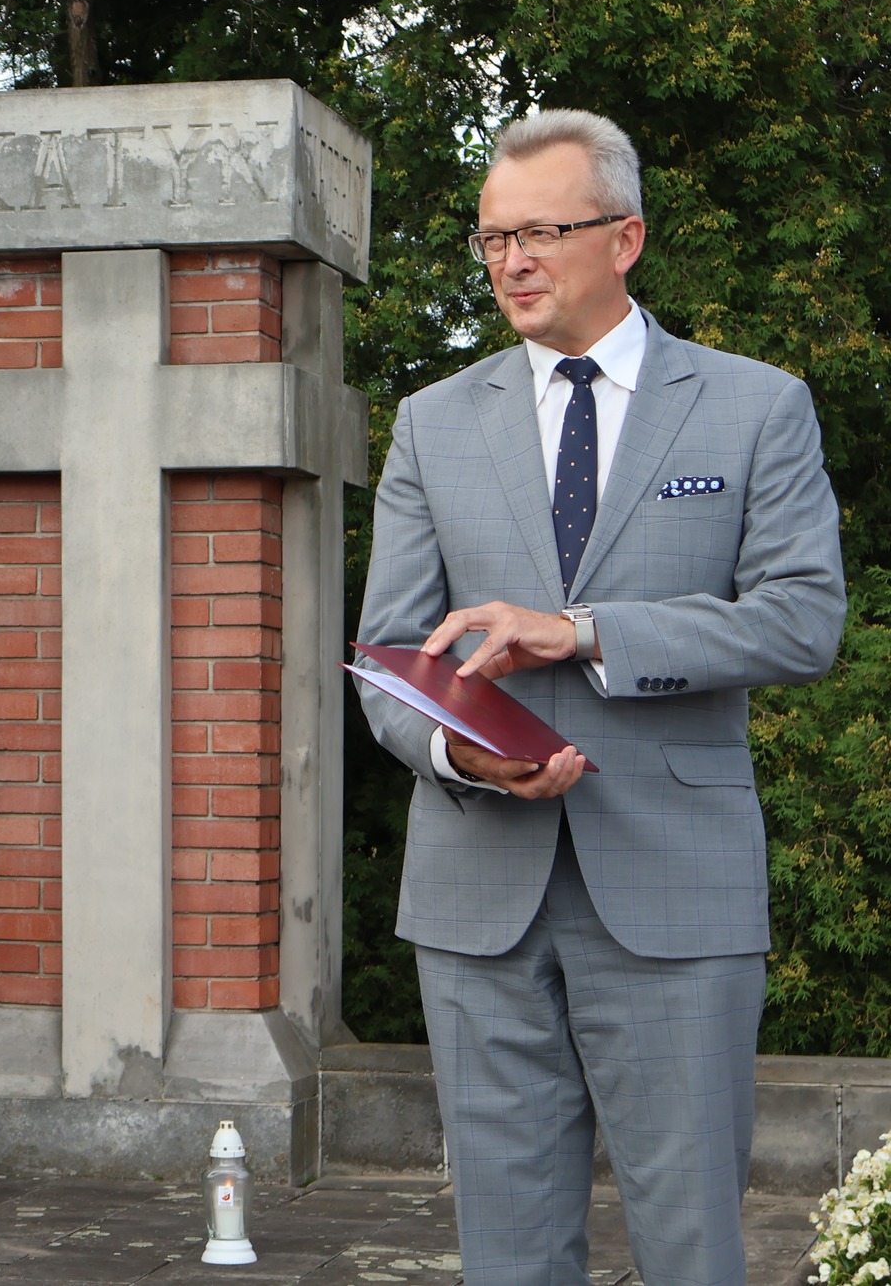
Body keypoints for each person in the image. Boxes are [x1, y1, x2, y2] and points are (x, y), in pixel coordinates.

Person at [354, 108, 846, 1285]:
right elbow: (386, 658)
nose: (509, 261)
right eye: (488, 239)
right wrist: (465, 758)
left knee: (689, 1247)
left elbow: (799, 621)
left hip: (675, 885)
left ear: (622, 237)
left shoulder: (752, 406)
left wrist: (578, 633)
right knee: (507, 1256)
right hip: (478, 895)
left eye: (539, 231)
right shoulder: (431, 423)